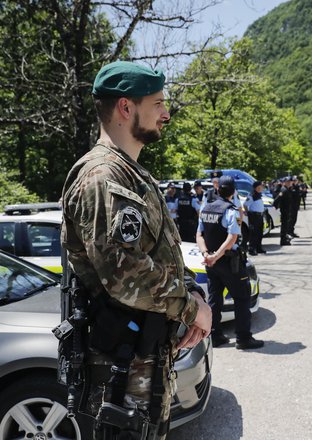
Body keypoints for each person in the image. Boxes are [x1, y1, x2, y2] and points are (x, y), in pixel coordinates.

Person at [60, 60, 212, 439]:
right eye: (158, 103)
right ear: (126, 108)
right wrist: (193, 309)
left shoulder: (132, 173)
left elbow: (159, 255)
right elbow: (124, 273)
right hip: (119, 375)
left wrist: (191, 292)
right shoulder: (103, 176)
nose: (167, 113)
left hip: (143, 363)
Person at [196, 175, 264, 350]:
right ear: (233, 191)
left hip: (211, 263)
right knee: (242, 299)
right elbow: (232, 237)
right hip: (229, 263)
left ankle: (215, 335)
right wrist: (216, 255)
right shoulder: (230, 210)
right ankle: (243, 339)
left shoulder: (206, 208)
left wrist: (207, 254)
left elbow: (199, 235)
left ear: (218, 189)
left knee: (214, 299)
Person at [244, 180, 266, 255]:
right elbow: (245, 205)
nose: (262, 188)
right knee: (254, 233)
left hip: (260, 216)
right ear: (256, 187)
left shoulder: (259, 194)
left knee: (259, 232)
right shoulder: (252, 195)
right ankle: (251, 249)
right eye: (260, 186)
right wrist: (247, 213)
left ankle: (258, 248)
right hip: (254, 216)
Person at [273, 177, 293, 245]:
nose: (290, 183)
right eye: (288, 182)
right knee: (284, 226)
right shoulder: (283, 190)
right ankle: (283, 240)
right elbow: (277, 199)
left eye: (290, 182)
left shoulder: (287, 189)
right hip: (284, 210)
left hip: (287, 210)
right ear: (285, 182)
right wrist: (275, 206)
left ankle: (284, 238)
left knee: (285, 225)